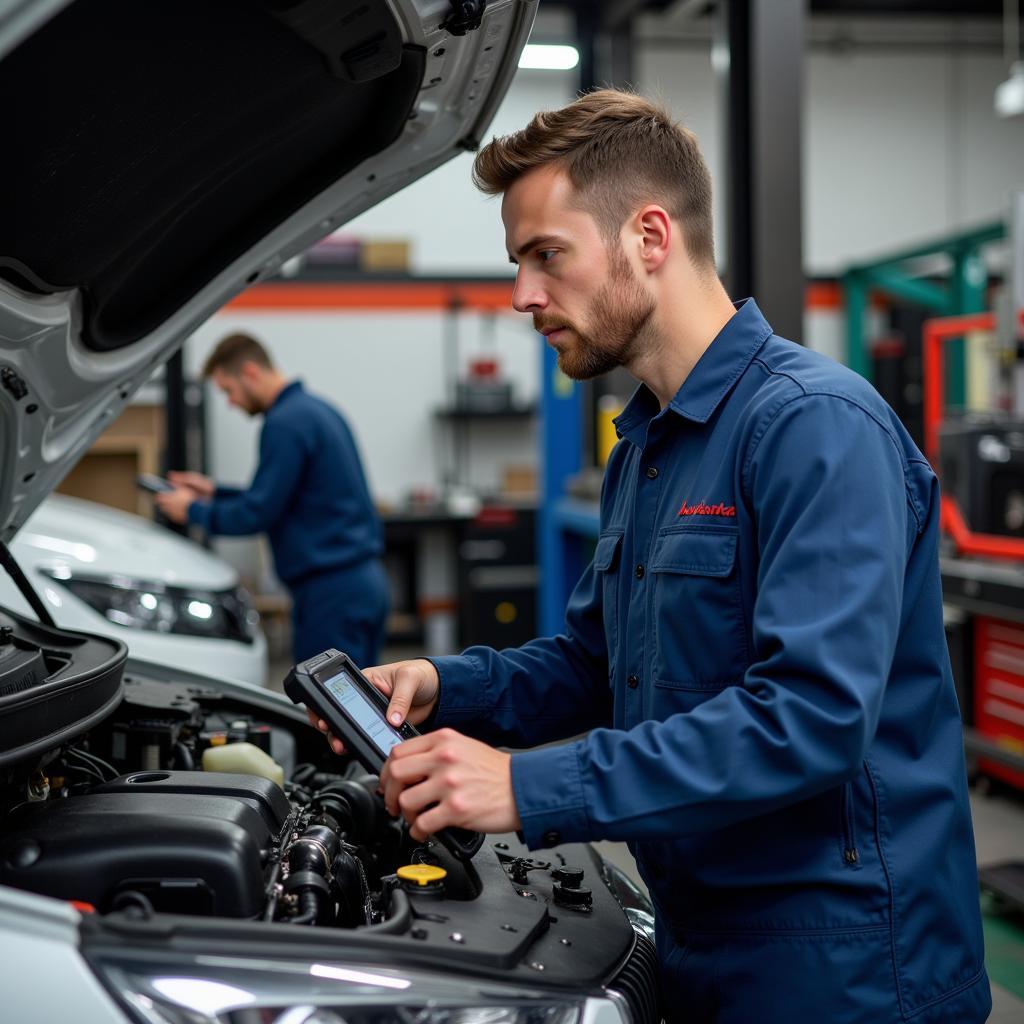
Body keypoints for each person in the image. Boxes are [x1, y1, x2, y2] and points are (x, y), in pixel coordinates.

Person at [310, 90, 991, 1023]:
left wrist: (525, 786)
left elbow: (812, 716)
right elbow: (598, 665)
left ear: (650, 236)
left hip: (844, 966)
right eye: (517, 263)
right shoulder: (647, 448)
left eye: (547, 255)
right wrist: (446, 684)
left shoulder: (813, 428)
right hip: (701, 934)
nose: (523, 297)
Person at [157, 333, 389, 666]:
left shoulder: (284, 424)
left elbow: (256, 513)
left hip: (330, 594)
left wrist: (191, 509)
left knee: (333, 710)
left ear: (250, 372)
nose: (231, 403)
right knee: (364, 706)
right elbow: (288, 498)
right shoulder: (318, 410)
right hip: (362, 585)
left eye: (228, 391)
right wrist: (214, 492)